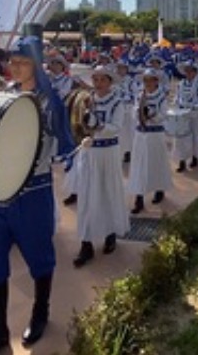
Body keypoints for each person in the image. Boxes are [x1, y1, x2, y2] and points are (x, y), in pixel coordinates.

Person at [0, 35, 73, 355]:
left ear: (36, 65)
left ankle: (40, 312)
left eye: (22, 62)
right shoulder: (4, 96)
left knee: (40, 259)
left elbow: (63, 138)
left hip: (33, 192)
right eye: (12, 62)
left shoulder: (49, 100)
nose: (14, 67)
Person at [73, 64, 130, 267]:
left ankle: (110, 232)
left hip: (108, 152)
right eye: (95, 79)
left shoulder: (117, 102)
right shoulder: (88, 99)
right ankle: (86, 242)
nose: (98, 83)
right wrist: (85, 130)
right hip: (90, 151)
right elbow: (80, 122)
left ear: (110, 81)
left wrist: (97, 126)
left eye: (102, 79)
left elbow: (116, 127)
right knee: (87, 195)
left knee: (107, 192)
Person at [128, 68, 172, 213]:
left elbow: (164, 114)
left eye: (150, 80)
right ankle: (138, 198)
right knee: (139, 165)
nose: (147, 83)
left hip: (155, 135)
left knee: (156, 163)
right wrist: (139, 113)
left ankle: (159, 188)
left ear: (156, 81)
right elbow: (134, 111)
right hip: (141, 134)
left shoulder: (161, 97)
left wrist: (152, 114)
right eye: (145, 80)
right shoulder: (140, 95)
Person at [172, 60, 198, 171]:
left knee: (196, 136)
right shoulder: (181, 84)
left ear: (195, 72)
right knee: (181, 137)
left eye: (190, 71)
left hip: (195, 113)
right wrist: (178, 103)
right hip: (183, 114)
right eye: (186, 71)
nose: (188, 73)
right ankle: (182, 160)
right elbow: (177, 96)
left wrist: (195, 105)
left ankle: (195, 157)